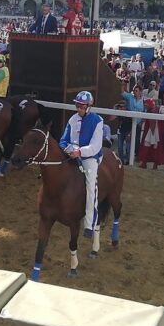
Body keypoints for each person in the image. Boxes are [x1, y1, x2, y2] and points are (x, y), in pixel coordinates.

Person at [59, 91, 104, 238]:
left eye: (82, 106)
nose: (79, 108)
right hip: (72, 154)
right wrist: (70, 150)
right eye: (77, 105)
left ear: (89, 106)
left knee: (91, 187)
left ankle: (89, 224)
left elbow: (95, 146)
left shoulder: (98, 121)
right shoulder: (72, 119)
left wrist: (79, 152)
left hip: (89, 158)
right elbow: (63, 140)